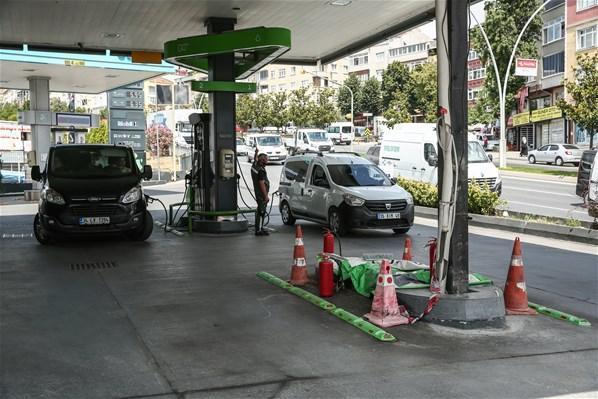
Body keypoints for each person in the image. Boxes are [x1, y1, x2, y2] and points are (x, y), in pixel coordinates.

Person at [251, 150, 270, 236]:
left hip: (258, 192)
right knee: (261, 211)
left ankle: (259, 228)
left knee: (260, 210)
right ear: (262, 160)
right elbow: (261, 183)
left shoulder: (255, 165)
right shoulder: (261, 171)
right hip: (261, 194)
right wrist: (266, 196)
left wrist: (256, 152)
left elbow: (255, 159)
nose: (267, 161)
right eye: (266, 160)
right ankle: (259, 230)